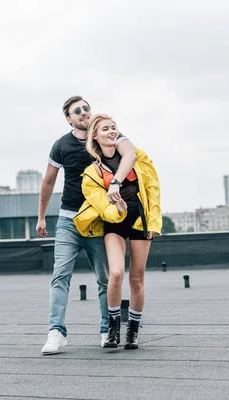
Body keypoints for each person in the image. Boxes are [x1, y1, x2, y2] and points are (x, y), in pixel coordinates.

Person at [38, 96, 138, 355]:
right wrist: (41, 217)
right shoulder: (61, 145)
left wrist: (115, 181)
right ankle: (56, 333)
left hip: (98, 219)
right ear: (69, 118)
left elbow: (130, 154)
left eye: (86, 108)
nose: (84, 113)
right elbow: (49, 181)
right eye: (77, 111)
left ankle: (107, 330)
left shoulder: (105, 134)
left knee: (105, 277)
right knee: (60, 274)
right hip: (69, 219)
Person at [73, 113, 162, 350]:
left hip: (140, 220)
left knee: (137, 278)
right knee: (115, 274)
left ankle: (132, 329)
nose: (112, 131)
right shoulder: (92, 173)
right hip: (115, 222)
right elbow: (103, 208)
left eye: (114, 128)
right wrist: (119, 209)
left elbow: (152, 190)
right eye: (105, 129)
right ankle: (113, 327)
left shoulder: (134, 157)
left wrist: (153, 222)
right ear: (95, 136)